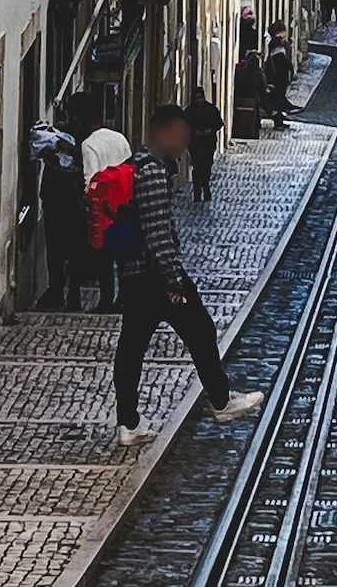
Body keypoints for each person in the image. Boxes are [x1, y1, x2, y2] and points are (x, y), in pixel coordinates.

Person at [100, 104, 264, 448]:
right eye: (182, 134)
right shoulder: (153, 172)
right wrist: (174, 281)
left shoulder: (137, 165)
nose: (185, 141)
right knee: (201, 331)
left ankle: (129, 423)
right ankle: (222, 401)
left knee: (131, 350)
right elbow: (158, 232)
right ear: (166, 132)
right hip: (156, 278)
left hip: (135, 276)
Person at [28, 120, 85, 310]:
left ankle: (63, 293)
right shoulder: (67, 157)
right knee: (68, 253)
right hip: (68, 207)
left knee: (58, 253)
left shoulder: (72, 158)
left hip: (61, 208)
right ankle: (66, 294)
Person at [82, 125, 133, 308]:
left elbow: (89, 182)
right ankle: (123, 298)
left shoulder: (88, 145)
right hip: (124, 205)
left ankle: (106, 300)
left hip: (103, 209)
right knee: (124, 259)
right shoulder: (119, 138)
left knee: (104, 258)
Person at [186, 85, 224, 203]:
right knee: (197, 167)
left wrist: (210, 130)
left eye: (200, 98)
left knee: (206, 167)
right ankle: (197, 192)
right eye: (196, 98)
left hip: (208, 144)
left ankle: (206, 188)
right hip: (195, 144)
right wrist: (194, 132)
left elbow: (219, 123)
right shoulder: (189, 111)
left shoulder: (211, 110)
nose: (198, 101)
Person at [263, 32, 293, 129]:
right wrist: (291, 75)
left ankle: (278, 120)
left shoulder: (271, 56)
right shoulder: (280, 54)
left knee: (276, 102)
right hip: (280, 81)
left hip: (276, 81)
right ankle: (279, 121)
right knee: (278, 102)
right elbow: (289, 65)